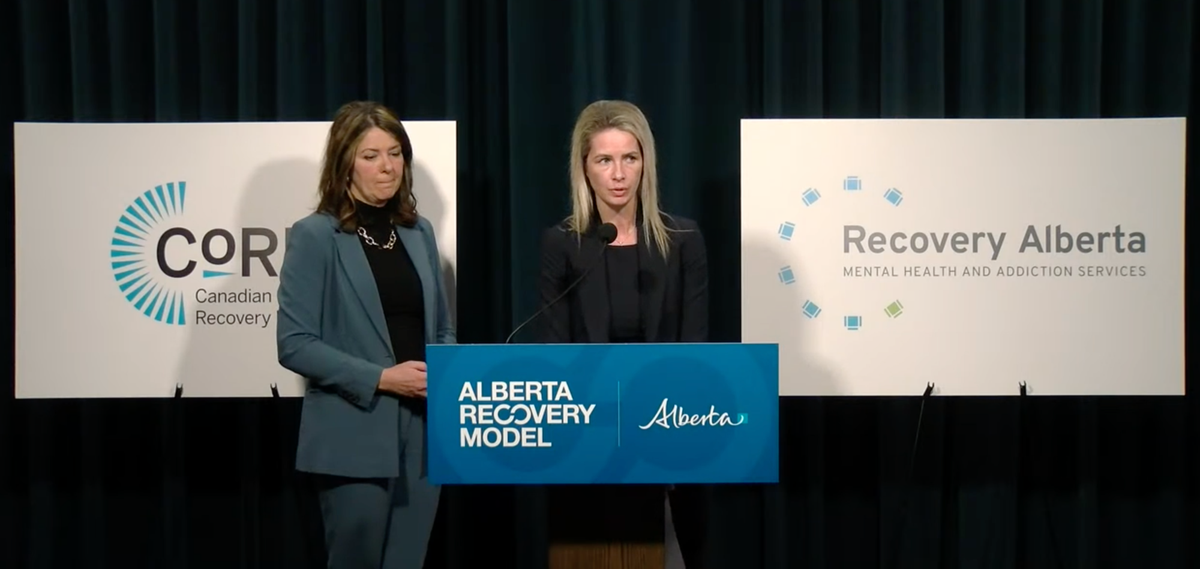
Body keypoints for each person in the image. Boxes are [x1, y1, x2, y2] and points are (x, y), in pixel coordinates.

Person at [276, 100, 455, 569]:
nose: (387, 166)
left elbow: (440, 327)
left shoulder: (419, 233)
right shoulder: (316, 236)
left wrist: (448, 373)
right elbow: (294, 344)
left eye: (395, 153)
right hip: (353, 430)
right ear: (345, 164)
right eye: (371, 155)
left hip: (424, 430)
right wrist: (382, 378)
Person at [537, 99, 710, 568]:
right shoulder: (563, 244)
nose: (618, 173)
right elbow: (556, 349)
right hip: (588, 439)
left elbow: (694, 346)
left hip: (664, 430)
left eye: (629, 158)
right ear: (585, 168)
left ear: (644, 164)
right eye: (604, 160)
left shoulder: (684, 240)